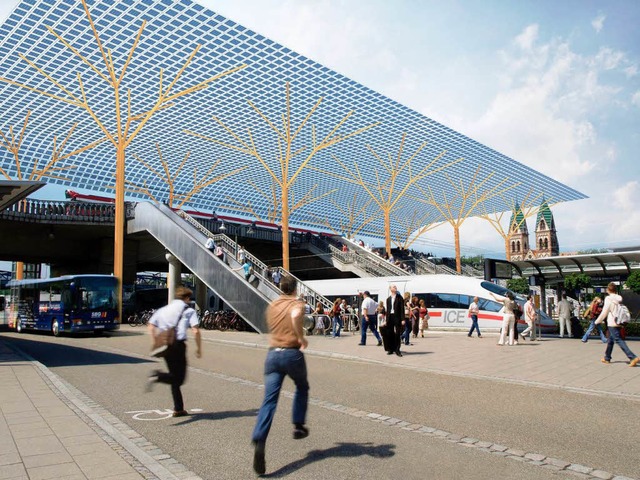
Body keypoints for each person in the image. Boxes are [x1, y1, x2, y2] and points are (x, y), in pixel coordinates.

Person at [251, 275, 310, 475]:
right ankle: (299, 425)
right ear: (294, 289)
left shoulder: (272, 305)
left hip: (272, 355)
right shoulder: (297, 303)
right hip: (291, 353)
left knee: (269, 400)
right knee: (302, 386)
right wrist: (301, 338)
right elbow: (294, 316)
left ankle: (260, 437)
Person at [147, 287, 202, 417]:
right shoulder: (188, 310)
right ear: (187, 298)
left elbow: (150, 326)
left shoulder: (163, 309)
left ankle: (178, 409)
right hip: (178, 345)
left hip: (165, 345)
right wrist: (199, 348)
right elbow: (196, 331)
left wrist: (155, 341)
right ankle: (158, 376)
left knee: (174, 377)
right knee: (180, 378)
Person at [595, 282, 639, 367]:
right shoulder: (619, 298)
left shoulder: (608, 299)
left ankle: (632, 357)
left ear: (608, 290)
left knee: (618, 340)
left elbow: (605, 312)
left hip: (612, 322)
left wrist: (597, 321)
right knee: (611, 340)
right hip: (620, 321)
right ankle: (607, 358)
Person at [384, 285, 405, 357]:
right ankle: (390, 349)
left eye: (396, 287)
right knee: (390, 333)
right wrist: (386, 320)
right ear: (390, 289)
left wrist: (403, 319)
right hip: (390, 317)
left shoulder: (400, 298)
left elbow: (402, 309)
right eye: (394, 287)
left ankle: (397, 349)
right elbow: (387, 311)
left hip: (397, 317)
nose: (395, 287)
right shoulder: (388, 299)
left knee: (398, 333)